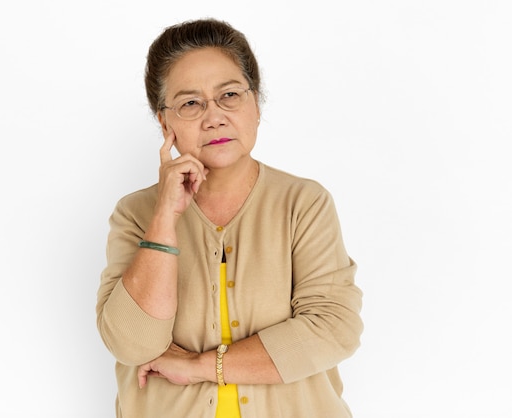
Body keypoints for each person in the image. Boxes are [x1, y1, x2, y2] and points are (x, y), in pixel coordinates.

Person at [96, 18, 363, 418]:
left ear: (256, 104)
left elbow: (332, 330)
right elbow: (132, 344)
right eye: (190, 103)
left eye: (230, 95)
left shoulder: (303, 203)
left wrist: (199, 367)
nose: (214, 117)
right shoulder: (136, 214)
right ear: (164, 122)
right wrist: (165, 219)